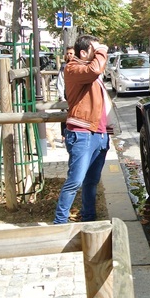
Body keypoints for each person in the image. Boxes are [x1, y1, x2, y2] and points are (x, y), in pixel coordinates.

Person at [53, 35, 111, 224]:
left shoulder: (87, 70)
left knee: (91, 181)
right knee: (75, 181)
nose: (99, 56)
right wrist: (102, 50)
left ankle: (89, 218)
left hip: (99, 133)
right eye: (94, 52)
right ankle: (60, 222)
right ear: (83, 53)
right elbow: (94, 69)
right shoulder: (73, 68)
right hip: (82, 133)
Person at [56, 46, 75, 139]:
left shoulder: (78, 66)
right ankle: (64, 136)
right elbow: (60, 82)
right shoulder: (64, 67)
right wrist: (61, 97)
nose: (69, 55)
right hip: (66, 95)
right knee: (64, 116)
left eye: (71, 53)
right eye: (67, 53)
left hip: (75, 96)